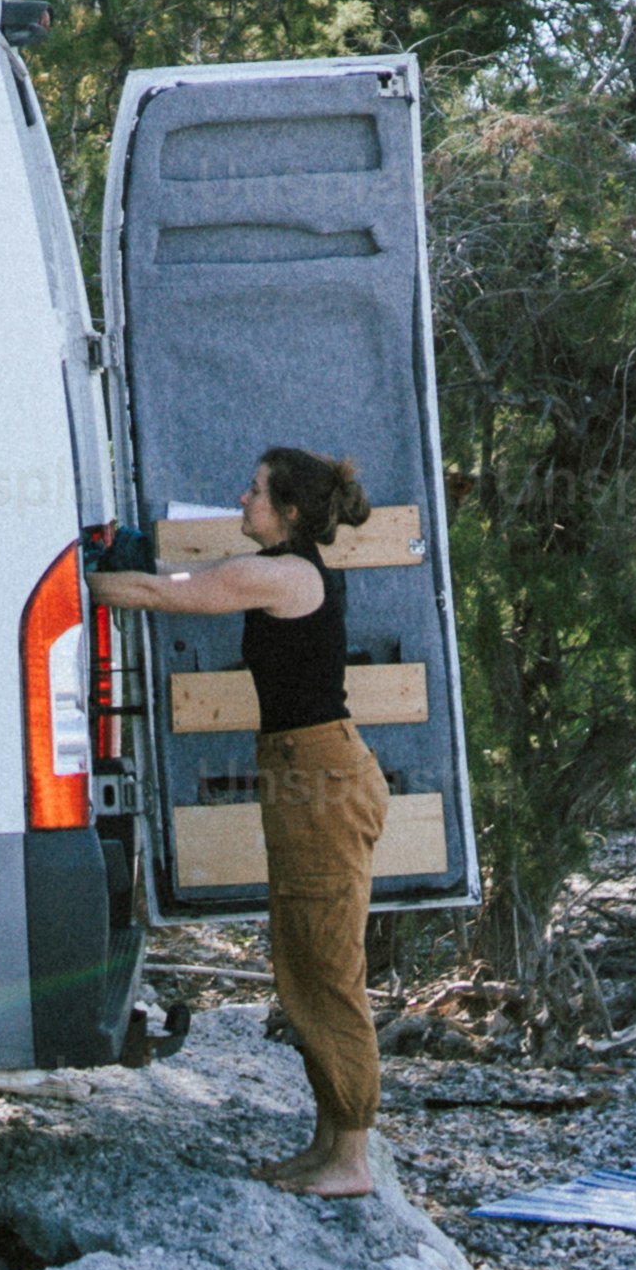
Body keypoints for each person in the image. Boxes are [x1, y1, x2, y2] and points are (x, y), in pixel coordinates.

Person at [96, 447, 387, 1201]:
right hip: (305, 775)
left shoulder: (284, 576)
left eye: (256, 491)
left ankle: (351, 1158)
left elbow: (164, 594)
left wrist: (58, 582)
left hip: (321, 779)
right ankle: (328, 1144)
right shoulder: (282, 564)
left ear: (289, 511)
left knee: (328, 968)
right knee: (303, 961)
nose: (242, 498)